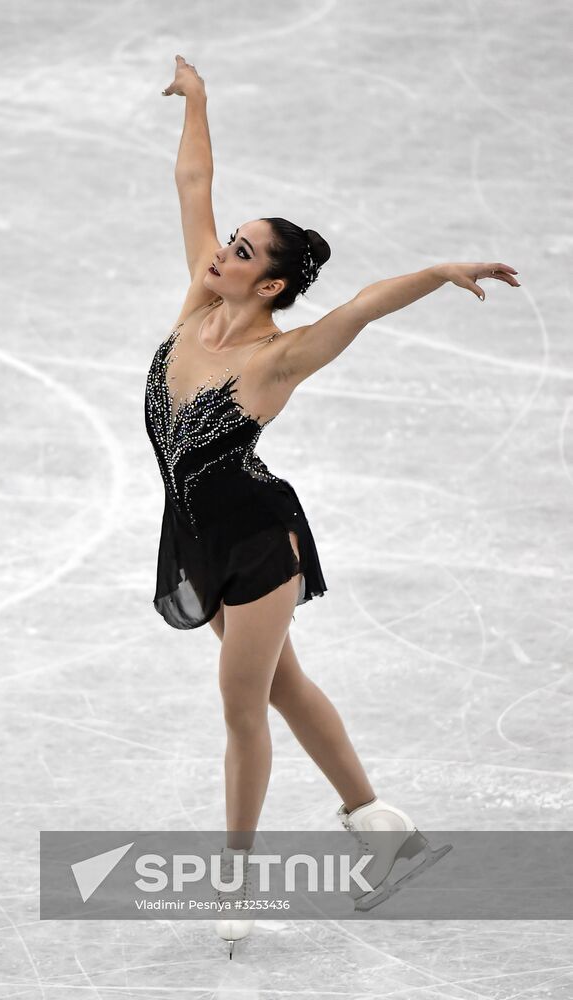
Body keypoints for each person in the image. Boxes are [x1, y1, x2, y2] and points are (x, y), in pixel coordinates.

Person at [153, 55, 520, 957]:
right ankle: (378, 825)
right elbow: (194, 180)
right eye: (228, 240)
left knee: (243, 707)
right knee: (282, 686)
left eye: (241, 251)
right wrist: (198, 100)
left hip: (256, 544)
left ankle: (235, 884)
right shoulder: (200, 300)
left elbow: (357, 310)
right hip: (195, 533)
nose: (219, 250)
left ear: (270, 285)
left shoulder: (276, 358)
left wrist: (435, 272)